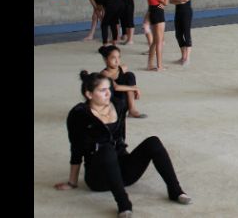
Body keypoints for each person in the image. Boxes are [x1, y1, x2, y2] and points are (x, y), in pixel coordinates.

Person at [54, 71, 191, 217]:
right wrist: (72, 182)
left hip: (124, 172)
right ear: (89, 94)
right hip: (99, 177)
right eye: (102, 90)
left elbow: (121, 138)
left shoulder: (118, 105)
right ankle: (123, 204)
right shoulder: (79, 114)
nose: (108, 93)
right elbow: (76, 148)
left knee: (153, 142)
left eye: (109, 89)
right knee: (107, 150)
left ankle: (175, 190)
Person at [99, 45, 146, 118]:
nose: (117, 61)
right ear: (105, 59)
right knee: (127, 86)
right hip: (112, 103)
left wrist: (133, 88)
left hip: (123, 101)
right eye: (113, 58)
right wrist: (135, 88)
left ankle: (132, 109)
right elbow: (116, 87)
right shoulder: (104, 74)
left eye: (119, 57)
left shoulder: (123, 68)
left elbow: (129, 83)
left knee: (129, 75)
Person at [170, 0, 194, 65]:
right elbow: (170, 0)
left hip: (186, 12)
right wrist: (179, 0)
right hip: (178, 12)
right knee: (178, 34)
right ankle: (183, 56)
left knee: (186, 34)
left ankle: (187, 58)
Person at [146, 0, 168, 71]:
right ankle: (159, 66)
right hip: (157, 14)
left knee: (155, 41)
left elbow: (157, 1)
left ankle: (150, 64)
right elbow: (165, 3)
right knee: (159, 41)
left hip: (154, 11)